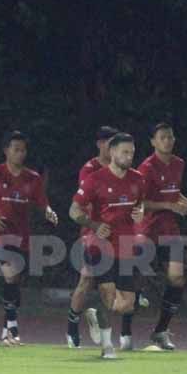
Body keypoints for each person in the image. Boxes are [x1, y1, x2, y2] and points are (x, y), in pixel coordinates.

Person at [0, 130, 58, 345]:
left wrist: (49, 211)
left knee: (14, 282)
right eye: (16, 149)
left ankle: (6, 329)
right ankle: (13, 328)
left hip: (22, 237)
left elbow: (42, 203)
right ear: (6, 151)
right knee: (10, 273)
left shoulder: (33, 178)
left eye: (23, 150)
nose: (20, 154)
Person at [69, 132, 146, 359]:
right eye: (125, 152)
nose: (129, 156)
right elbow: (74, 210)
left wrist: (140, 212)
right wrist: (93, 224)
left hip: (126, 246)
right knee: (108, 296)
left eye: (132, 152)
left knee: (126, 305)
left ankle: (93, 315)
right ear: (112, 152)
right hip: (100, 246)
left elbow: (139, 206)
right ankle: (107, 347)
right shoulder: (95, 179)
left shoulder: (137, 179)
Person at [137, 122, 187, 350]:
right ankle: (126, 326)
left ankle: (161, 331)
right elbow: (142, 203)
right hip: (149, 229)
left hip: (171, 230)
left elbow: (174, 194)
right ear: (153, 142)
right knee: (141, 277)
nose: (168, 140)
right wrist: (169, 205)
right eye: (163, 137)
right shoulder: (146, 167)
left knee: (177, 279)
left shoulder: (179, 164)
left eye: (171, 136)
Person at [66, 125, 120, 348]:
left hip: (118, 235)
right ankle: (71, 330)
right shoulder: (90, 169)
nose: (114, 148)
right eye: (110, 143)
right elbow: (84, 204)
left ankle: (105, 323)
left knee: (117, 286)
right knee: (87, 280)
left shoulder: (122, 170)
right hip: (93, 233)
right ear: (100, 144)